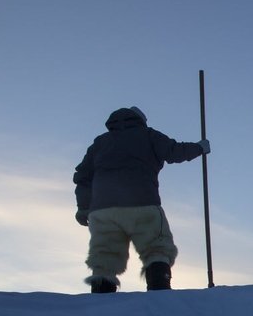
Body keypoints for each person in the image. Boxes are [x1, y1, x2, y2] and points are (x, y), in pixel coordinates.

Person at [73, 106, 210, 293]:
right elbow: (173, 151)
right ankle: (159, 291)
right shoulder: (148, 135)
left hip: (103, 210)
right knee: (157, 247)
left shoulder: (100, 143)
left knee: (105, 254)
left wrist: (83, 207)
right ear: (141, 121)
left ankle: (101, 299)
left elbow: (83, 176)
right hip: (142, 204)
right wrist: (199, 148)